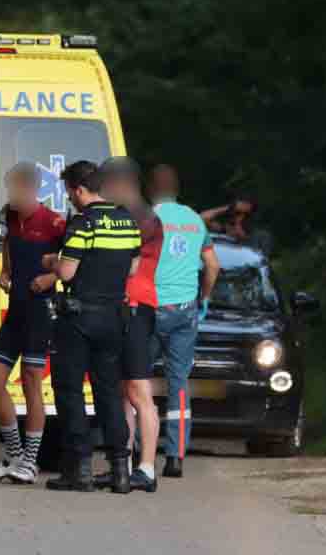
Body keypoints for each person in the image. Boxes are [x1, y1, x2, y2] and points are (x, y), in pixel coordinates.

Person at [42, 160, 141, 494]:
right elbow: (133, 267)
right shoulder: (127, 220)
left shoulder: (84, 223)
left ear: (78, 189)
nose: (69, 198)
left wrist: (52, 262)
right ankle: (119, 471)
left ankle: (79, 470)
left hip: (78, 318)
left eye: (70, 191)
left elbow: (67, 273)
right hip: (113, 317)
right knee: (109, 393)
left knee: (69, 391)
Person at [0, 164, 68, 485]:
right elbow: (8, 244)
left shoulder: (55, 222)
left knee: (31, 381)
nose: (10, 194)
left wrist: (51, 277)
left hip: (40, 312)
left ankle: (30, 462)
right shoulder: (11, 216)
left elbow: (75, 258)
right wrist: (5, 271)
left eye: (14, 188)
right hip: (15, 312)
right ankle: (14, 456)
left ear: (31, 188)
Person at [146, 164, 222, 478]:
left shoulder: (147, 220)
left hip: (150, 308)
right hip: (185, 310)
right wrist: (203, 298)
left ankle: (141, 451)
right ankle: (175, 457)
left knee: (139, 381)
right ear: (177, 189)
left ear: (151, 189)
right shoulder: (194, 219)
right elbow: (213, 266)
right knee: (179, 383)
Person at [96, 157, 163, 493]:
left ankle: (147, 469)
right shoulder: (128, 215)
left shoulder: (144, 218)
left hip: (136, 307)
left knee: (139, 391)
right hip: (121, 306)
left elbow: (130, 266)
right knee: (125, 393)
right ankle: (122, 464)